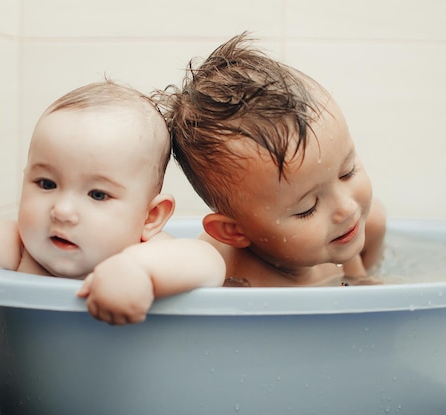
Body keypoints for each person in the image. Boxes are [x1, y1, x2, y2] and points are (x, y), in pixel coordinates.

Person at [0, 81, 225, 324]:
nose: (61, 210)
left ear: (151, 217)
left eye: (97, 194)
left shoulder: (144, 252)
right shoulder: (16, 246)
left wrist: (138, 272)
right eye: (46, 183)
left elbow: (209, 262)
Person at [160, 33, 386, 287]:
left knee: (376, 215)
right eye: (307, 208)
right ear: (234, 232)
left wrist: (363, 282)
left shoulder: (339, 234)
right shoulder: (225, 274)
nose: (347, 208)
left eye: (347, 172)